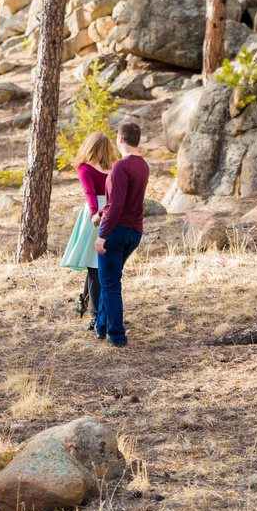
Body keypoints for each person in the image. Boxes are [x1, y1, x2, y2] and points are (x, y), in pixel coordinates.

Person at [94, 120, 149, 347]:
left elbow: (116, 205)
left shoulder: (120, 166)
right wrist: (100, 213)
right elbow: (120, 202)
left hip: (116, 232)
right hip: (134, 232)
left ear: (120, 140)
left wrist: (103, 233)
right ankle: (100, 327)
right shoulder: (143, 165)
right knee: (109, 279)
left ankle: (117, 336)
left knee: (110, 284)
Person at [60, 132, 117, 331]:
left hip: (106, 214)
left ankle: (88, 307)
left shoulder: (108, 167)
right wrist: (98, 214)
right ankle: (92, 312)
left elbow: (100, 193)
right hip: (103, 214)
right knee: (95, 264)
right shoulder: (91, 168)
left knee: (97, 264)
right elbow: (92, 193)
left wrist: (100, 213)